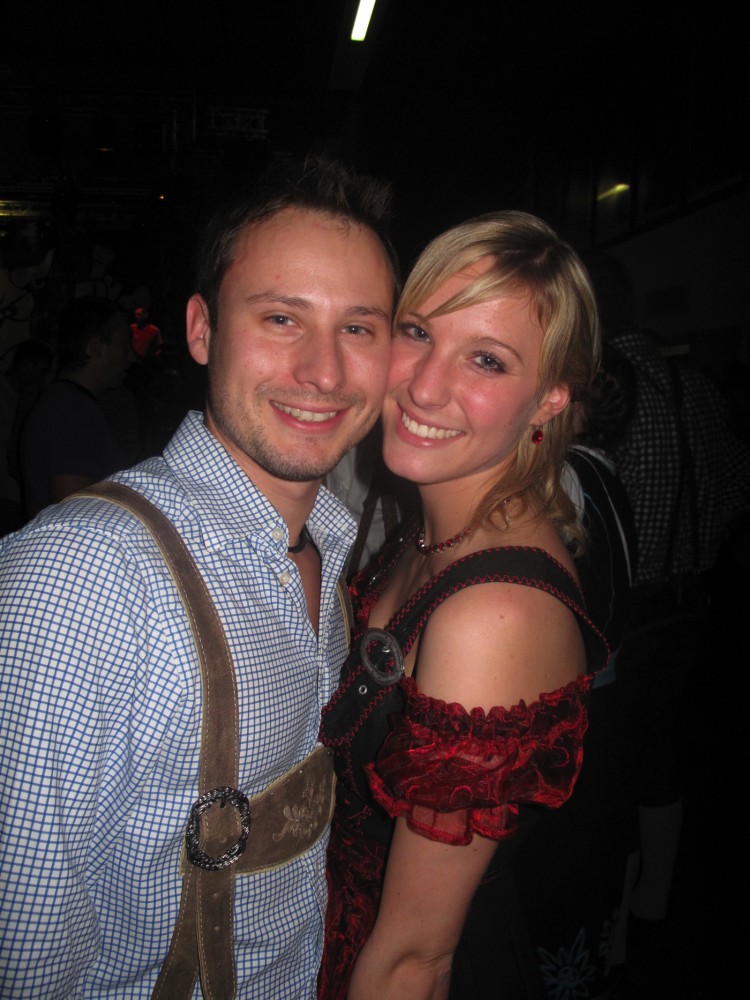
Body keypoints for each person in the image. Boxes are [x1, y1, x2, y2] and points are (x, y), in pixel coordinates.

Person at [0, 156, 397, 998]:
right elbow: (20, 962)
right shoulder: (83, 579)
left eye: (360, 329)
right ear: (202, 330)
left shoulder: (329, 551)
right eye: (282, 318)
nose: (326, 373)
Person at [318, 210, 610, 1000]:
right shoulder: (432, 530)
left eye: (486, 359)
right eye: (418, 333)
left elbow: (414, 961)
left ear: (550, 398)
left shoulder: (492, 617)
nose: (423, 385)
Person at [19, 296, 133, 519]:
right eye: (123, 344)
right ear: (94, 348)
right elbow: (74, 516)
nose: (130, 356)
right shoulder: (71, 412)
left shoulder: (65, 401)